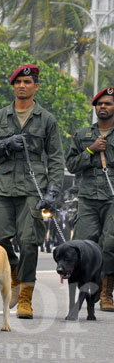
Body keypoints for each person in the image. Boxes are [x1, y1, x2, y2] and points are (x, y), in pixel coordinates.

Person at [0, 64, 64, 319]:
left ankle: (26, 297)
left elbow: (56, 158)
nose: (22, 86)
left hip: (33, 188)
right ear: (13, 86)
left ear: (35, 86)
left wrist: (53, 190)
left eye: (27, 82)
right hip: (5, 188)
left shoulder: (46, 119)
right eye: (18, 82)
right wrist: (5, 145)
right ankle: (14, 271)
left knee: (29, 242)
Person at [65, 87, 114, 312]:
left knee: (110, 244)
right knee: (83, 245)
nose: (103, 107)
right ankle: (90, 288)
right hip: (88, 195)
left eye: (108, 103)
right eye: (100, 104)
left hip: (112, 196)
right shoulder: (83, 134)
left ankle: (106, 294)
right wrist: (91, 150)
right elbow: (72, 165)